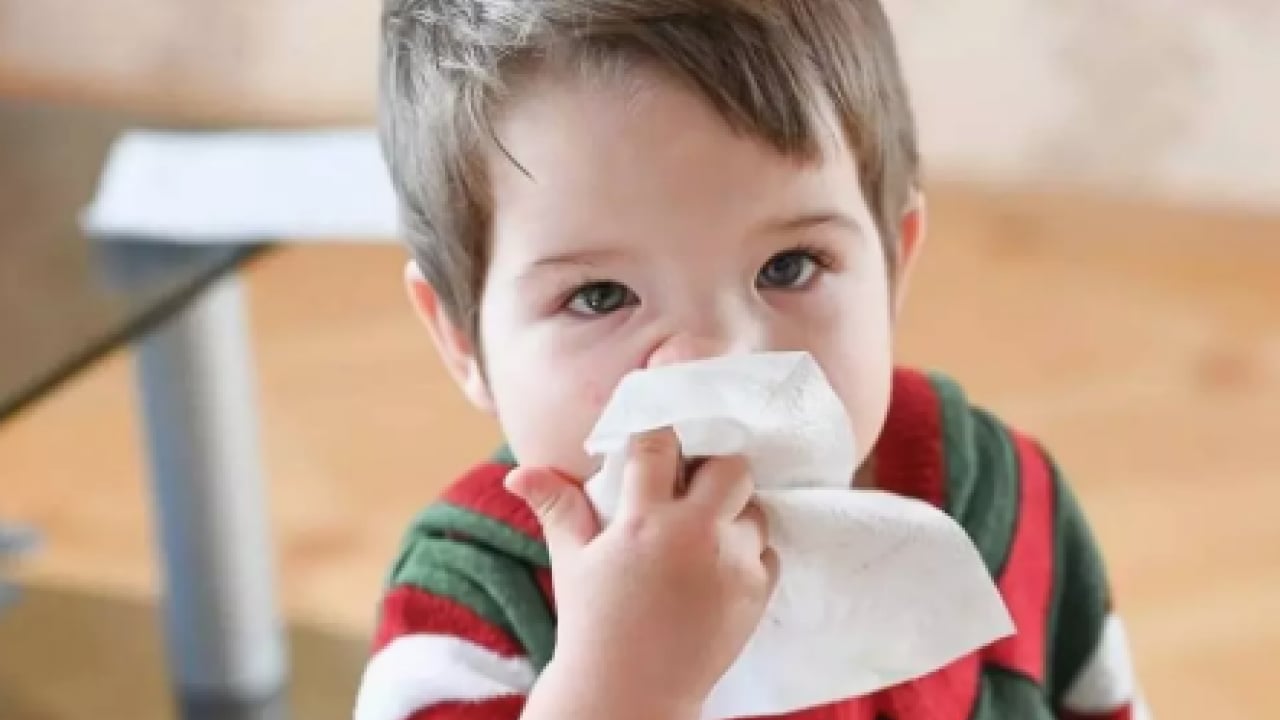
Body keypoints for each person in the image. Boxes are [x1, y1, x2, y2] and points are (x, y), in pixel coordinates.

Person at [356, 2, 1149, 718]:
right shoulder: (464, 619)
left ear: (893, 265)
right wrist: (618, 691)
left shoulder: (1000, 497)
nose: (719, 358)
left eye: (789, 266)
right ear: (462, 340)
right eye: (600, 295)